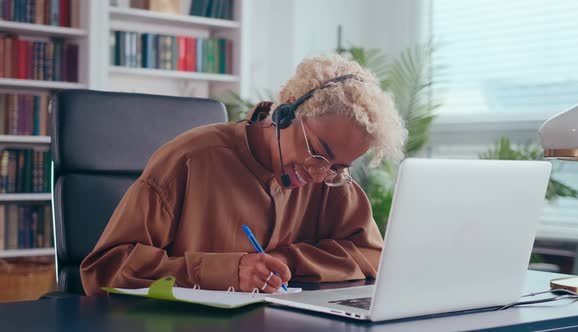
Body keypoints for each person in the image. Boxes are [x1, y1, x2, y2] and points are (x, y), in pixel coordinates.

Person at [80, 54, 407, 296]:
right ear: (288, 110)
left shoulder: (331, 180)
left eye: (338, 166)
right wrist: (225, 271)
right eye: (317, 151)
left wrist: (287, 262)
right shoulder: (189, 160)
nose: (320, 174)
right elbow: (105, 269)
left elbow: (372, 255)